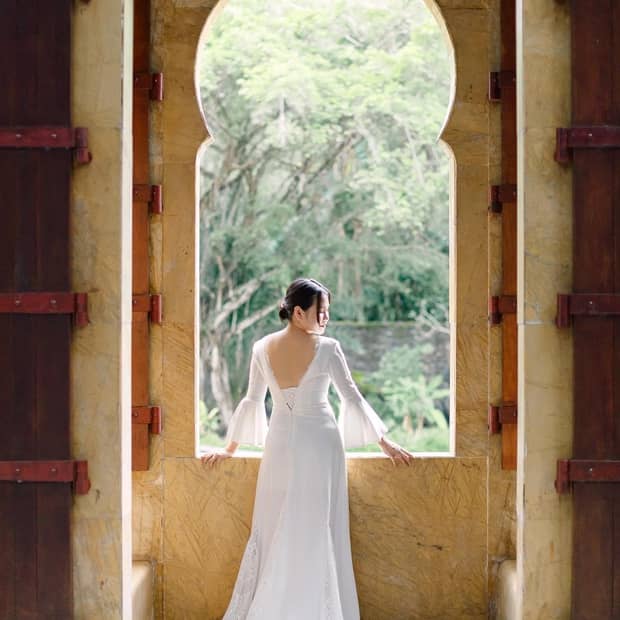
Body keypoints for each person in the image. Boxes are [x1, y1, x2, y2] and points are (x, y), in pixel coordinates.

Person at [201, 277, 414, 619]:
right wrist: (384, 442)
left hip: (280, 446)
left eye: (328, 312)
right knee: (316, 527)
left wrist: (230, 448)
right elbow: (351, 397)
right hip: (319, 445)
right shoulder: (328, 348)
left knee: (276, 529)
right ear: (298, 312)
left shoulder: (261, 347)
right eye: (321, 312)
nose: (326, 318)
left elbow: (253, 400)